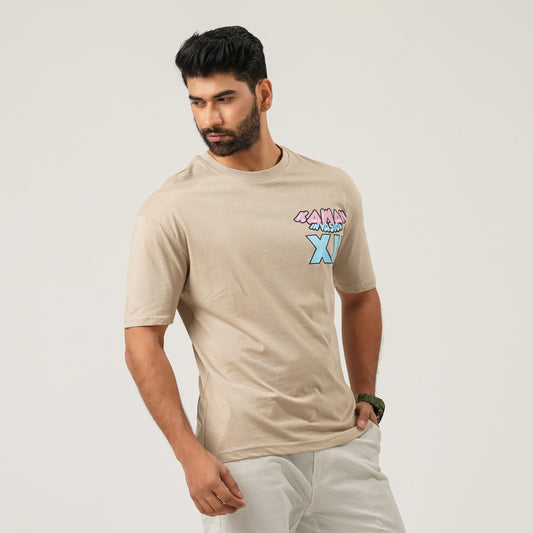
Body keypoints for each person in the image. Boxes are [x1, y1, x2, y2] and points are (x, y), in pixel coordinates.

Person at [123, 25, 406, 533]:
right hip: (245, 460)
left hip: (343, 445)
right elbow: (142, 339)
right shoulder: (171, 209)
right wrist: (189, 453)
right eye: (197, 102)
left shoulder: (330, 187)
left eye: (225, 99)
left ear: (264, 93)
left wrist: (366, 394)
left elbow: (360, 296)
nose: (210, 119)